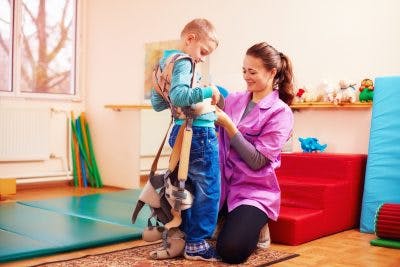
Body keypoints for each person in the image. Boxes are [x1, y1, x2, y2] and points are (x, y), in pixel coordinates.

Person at [214, 42, 295, 264]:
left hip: (252, 191)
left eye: (252, 72)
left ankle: (258, 225)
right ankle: (226, 217)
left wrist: (230, 127)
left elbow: (258, 161)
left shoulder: (281, 113)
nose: (246, 76)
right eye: (243, 71)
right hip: (221, 185)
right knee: (188, 231)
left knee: (231, 251)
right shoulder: (234, 100)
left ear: (272, 72)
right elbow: (217, 106)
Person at [151, 18, 221, 262]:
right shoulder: (186, 62)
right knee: (209, 189)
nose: (201, 58)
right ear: (190, 39)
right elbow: (180, 95)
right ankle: (197, 243)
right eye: (203, 51)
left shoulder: (164, 62)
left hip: (180, 132)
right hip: (199, 133)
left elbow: (158, 102)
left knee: (187, 188)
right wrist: (208, 91)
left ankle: (189, 237)